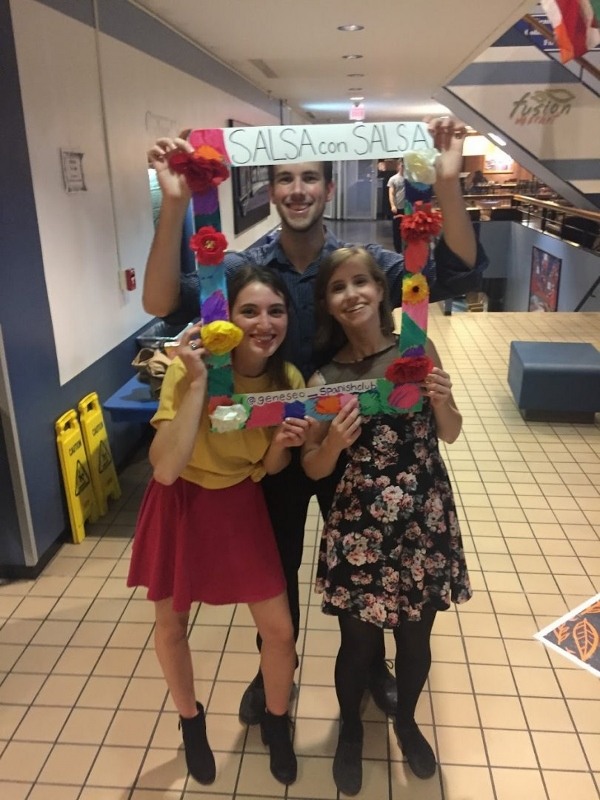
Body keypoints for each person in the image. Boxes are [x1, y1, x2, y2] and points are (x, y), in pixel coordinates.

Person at [141, 116, 488, 727]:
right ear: (271, 191)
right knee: (276, 565)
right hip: (269, 444)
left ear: (327, 189)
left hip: (347, 441)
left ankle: (370, 664)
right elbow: (159, 301)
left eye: (309, 178)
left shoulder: (361, 265)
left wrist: (448, 180)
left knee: (367, 559)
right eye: (283, 179)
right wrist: (173, 204)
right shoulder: (247, 270)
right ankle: (275, 665)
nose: (297, 189)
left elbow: (461, 265)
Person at [127, 266, 311, 787]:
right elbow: (164, 467)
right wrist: (199, 382)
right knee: (171, 625)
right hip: (179, 501)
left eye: (275, 311)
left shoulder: (288, 381)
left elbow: (270, 468)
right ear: (225, 318)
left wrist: (282, 445)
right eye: (248, 311)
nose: (264, 323)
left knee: (279, 631)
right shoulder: (190, 371)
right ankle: (191, 722)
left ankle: (277, 722)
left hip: (239, 503)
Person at [301, 247, 472, 795]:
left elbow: (450, 432)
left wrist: (443, 400)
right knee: (357, 643)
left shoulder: (415, 350)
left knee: (416, 638)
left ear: (381, 291)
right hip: (359, 525)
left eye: (361, 283)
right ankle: (351, 730)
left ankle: (406, 721)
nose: (351, 295)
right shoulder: (324, 378)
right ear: (327, 304)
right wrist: (334, 442)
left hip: (423, 517)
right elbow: (312, 467)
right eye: (337, 288)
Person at [387, 158, 405, 252]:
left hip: (408, 209)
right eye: (402, 165)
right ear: (399, 165)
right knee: (397, 231)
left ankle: (408, 250)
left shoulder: (410, 179)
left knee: (409, 231)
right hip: (398, 209)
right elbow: (391, 193)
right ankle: (398, 251)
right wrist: (393, 205)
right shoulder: (393, 179)